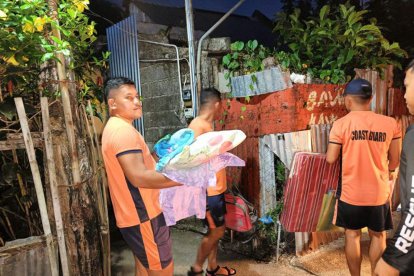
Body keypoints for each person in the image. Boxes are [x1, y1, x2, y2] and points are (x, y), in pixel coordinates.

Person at [101, 77, 181, 276]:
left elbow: (137, 167)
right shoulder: (122, 132)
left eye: (137, 96)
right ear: (112, 103)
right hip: (143, 215)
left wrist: (155, 153)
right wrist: (181, 179)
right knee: (161, 270)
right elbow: (138, 177)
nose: (137, 102)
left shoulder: (118, 127)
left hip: (135, 215)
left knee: (144, 268)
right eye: (129, 97)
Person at [326, 78, 401, 276]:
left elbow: (331, 159)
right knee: (378, 236)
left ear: (348, 100)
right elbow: (394, 162)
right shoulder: (390, 123)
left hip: (351, 194)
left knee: (352, 235)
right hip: (378, 193)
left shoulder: (341, 124)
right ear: (371, 99)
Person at [187, 88, 236, 276]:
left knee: (216, 231)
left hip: (216, 190)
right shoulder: (197, 126)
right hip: (208, 193)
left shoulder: (207, 126)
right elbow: (191, 162)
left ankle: (213, 268)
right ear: (216, 104)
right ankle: (197, 268)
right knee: (215, 232)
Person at [374, 60, 414, 276]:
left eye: (407, 86)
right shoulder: (397, 127)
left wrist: (394, 258)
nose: (404, 95)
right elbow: (397, 165)